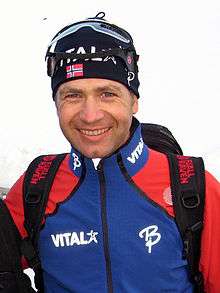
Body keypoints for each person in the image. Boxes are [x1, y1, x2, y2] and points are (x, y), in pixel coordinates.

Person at [3, 12, 220, 292]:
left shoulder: (195, 189)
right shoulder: (36, 186)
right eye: (73, 95)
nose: (90, 115)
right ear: (56, 103)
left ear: (134, 100)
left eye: (107, 93)